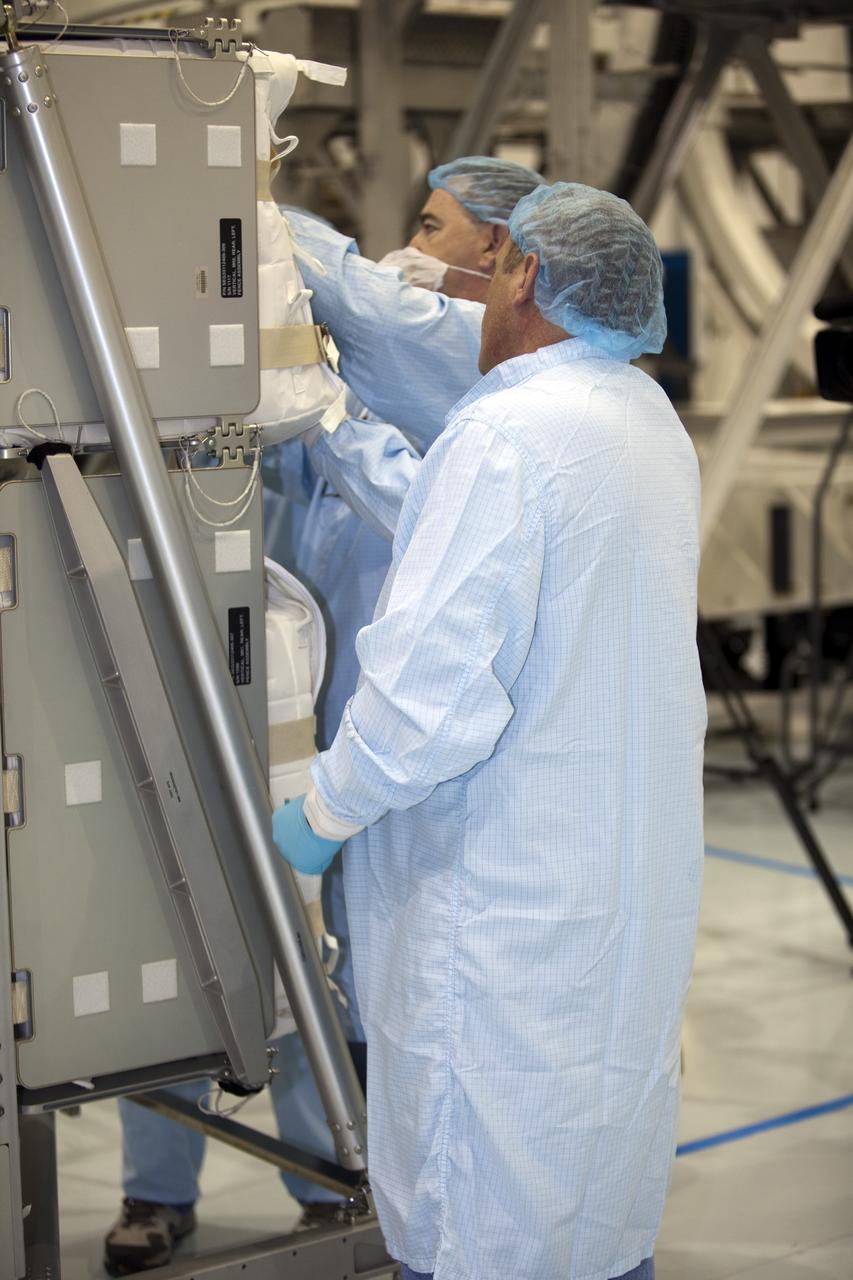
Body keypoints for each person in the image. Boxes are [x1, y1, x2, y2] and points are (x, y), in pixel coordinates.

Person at [104, 157, 545, 1276]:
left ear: (497, 254)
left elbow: (399, 471)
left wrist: (255, 210)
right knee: (192, 924)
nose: (410, 240)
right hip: (277, 709)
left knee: (323, 966)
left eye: (433, 224)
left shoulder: (470, 373)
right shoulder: (358, 366)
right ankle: (157, 1187)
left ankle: (329, 1176)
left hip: (389, 757)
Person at [273, 183, 707, 1280]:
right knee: (591, 1185)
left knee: (484, 1208)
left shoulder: (507, 433)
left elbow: (427, 700)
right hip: (610, 888)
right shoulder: (644, 421)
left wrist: (323, 811)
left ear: (520, 272)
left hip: (500, 901)